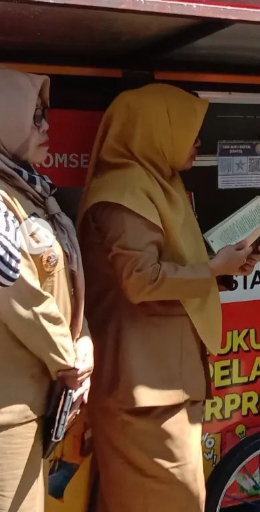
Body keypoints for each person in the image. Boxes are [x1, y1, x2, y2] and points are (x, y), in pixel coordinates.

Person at [76, 84, 260, 512]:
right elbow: (142, 281)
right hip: (143, 389)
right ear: (155, 131)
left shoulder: (155, 184)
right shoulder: (125, 193)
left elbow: (170, 270)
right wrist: (212, 269)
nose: (198, 142)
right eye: (188, 130)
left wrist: (223, 270)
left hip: (161, 383)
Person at [0, 67, 93, 512]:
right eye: (34, 117)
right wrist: (69, 359)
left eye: (45, 115)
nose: (45, 127)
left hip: (34, 403)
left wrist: (84, 343)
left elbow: (61, 284)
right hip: (7, 413)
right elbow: (17, 292)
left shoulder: (29, 192)